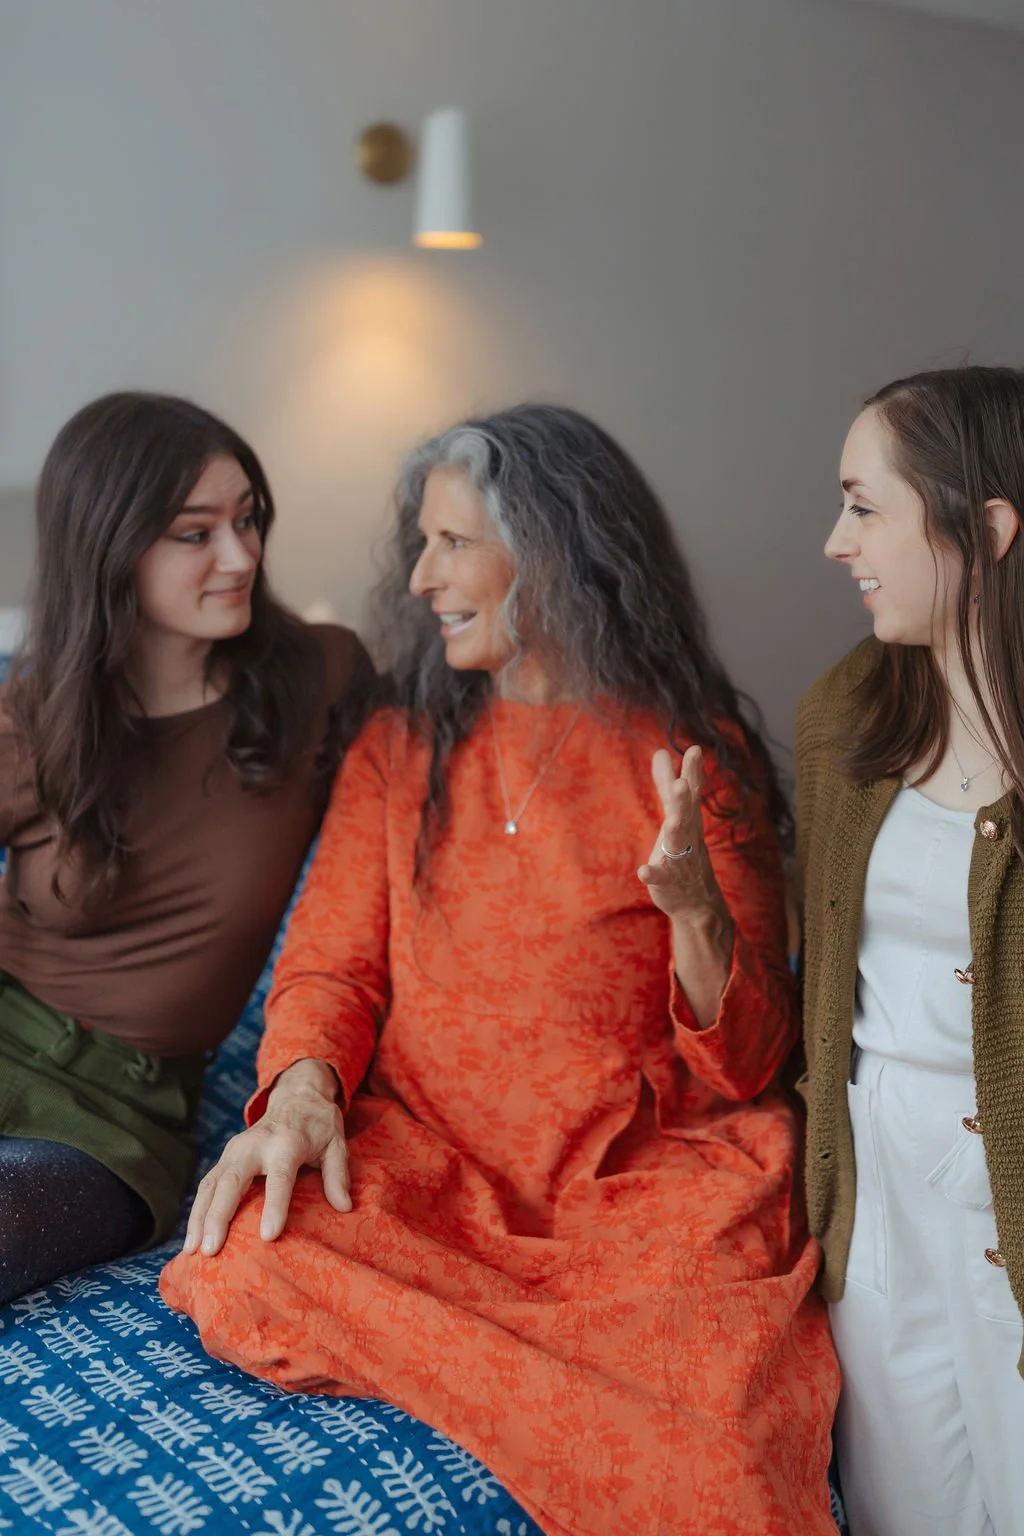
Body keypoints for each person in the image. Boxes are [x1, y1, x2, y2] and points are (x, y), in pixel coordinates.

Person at [161, 403, 839, 1536]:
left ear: (557, 554)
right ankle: (593, 1409)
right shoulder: (399, 749)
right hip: (436, 1165)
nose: (421, 578)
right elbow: (330, 969)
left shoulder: (693, 758)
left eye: (453, 543)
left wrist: (694, 914)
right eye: (421, 543)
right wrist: (304, 1094)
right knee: (241, 1253)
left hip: (634, 1185)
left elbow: (748, 1066)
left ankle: (584, 1407)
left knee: (726, 1410)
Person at [0, 391, 373, 1304]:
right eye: (196, 533)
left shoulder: (323, 679)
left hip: (123, 1111)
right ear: (111, 548)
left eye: (247, 520)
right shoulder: (36, 716)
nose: (240, 556)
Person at [796, 367, 1024, 1536]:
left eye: (863, 507)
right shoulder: (844, 716)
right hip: (876, 1199)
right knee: (905, 1509)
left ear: (986, 530)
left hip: (1005, 1202)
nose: (836, 542)